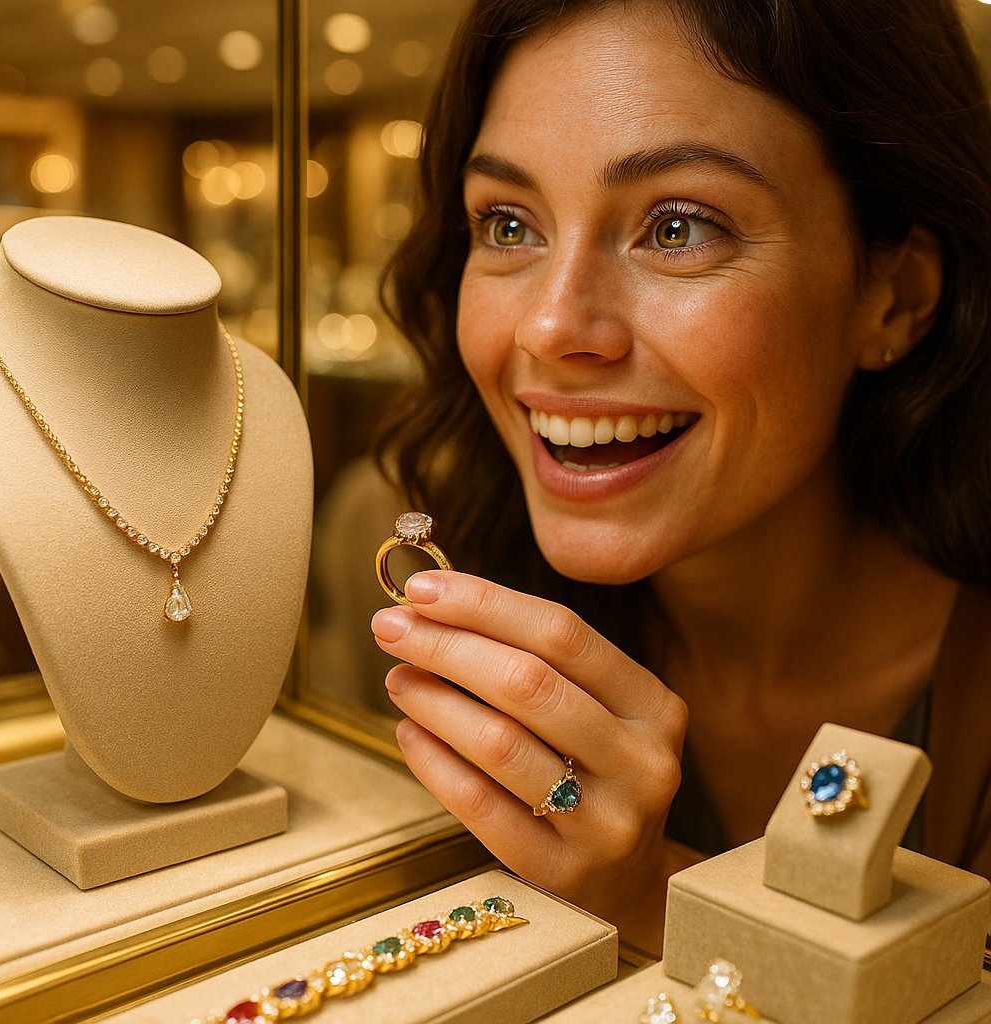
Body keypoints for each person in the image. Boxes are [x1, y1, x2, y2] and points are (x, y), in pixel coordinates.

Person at [369, 0, 991, 953]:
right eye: (508, 224)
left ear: (895, 296)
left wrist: (656, 903)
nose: (551, 326)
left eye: (678, 229)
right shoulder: (427, 615)